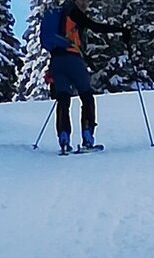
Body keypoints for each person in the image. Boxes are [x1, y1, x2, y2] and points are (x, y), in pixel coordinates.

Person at [48, 0, 130, 152]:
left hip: (56, 62)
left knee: (63, 99)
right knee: (86, 97)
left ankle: (64, 139)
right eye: (83, 1)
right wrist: (121, 30)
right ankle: (87, 138)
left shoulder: (59, 13)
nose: (85, 4)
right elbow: (96, 27)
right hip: (73, 61)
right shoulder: (73, 12)